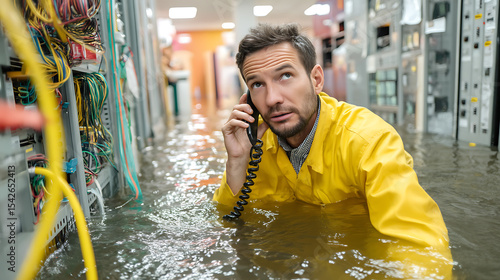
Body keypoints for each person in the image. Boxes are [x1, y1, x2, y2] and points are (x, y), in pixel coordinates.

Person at [213, 23, 449, 251]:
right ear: (248, 99)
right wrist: (237, 161)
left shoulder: (369, 141)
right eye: (257, 84)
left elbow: (418, 246)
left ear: (316, 80)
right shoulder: (254, 146)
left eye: (285, 76)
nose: (272, 98)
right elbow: (228, 223)